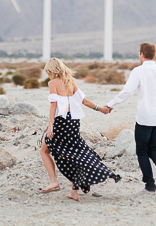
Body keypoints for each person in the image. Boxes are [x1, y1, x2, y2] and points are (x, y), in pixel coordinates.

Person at [39, 58, 121, 201]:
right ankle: (74, 192)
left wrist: (50, 124)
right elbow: (85, 101)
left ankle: (53, 181)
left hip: (61, 122)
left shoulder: (53, 83)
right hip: (74, 122)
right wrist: (101, 109)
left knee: (44, 150)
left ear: (52, 71)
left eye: (48, 72)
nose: (48, 75)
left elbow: (53, 105)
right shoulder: (71, 82)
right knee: (75, 154)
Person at [105, 42, 156, 195]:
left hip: (145, 118)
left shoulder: (138, 71)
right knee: (152, 149)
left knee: (142, 151)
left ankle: (150, 186)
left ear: (142, 55)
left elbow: (127, 92)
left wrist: (110, 104)